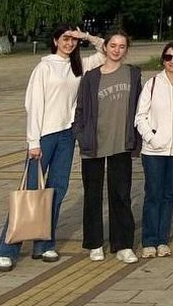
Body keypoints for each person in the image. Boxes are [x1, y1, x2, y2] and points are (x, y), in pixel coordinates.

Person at [0, 26, 105, 273]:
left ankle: (44, 243)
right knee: (31, 190)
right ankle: (7, 249)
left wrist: (86, 36)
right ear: (55, 41)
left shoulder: (79, 66)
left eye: (72, 40)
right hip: (44, 137)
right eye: (65, 38)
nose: (69, 43)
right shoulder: (44, 67)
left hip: (67, 135)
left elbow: (106, 52)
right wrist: (33, 141)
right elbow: (33, 104)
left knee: (56, 190)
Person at [73, 30, 142, 264]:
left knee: (121, 194)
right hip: (94, 144)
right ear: (105, 47)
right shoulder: (91, 77)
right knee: (93, 195)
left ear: (126, 49)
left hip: (121, 143)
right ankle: (94, 243)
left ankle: (122, 244)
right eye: (113, 45)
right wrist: (81, 136)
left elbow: (139, 106)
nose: (117, 50)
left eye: (122, 46)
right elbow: (80, 109)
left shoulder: (133, 74)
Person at [134, 41, 173, 258]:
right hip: (154, 151)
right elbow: (140, 116)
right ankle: (149, 240)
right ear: (163, 60)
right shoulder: (152, 83)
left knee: (169, 195)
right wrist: (151, 138)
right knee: (153, 194)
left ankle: (163, 239)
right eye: (168, 57)